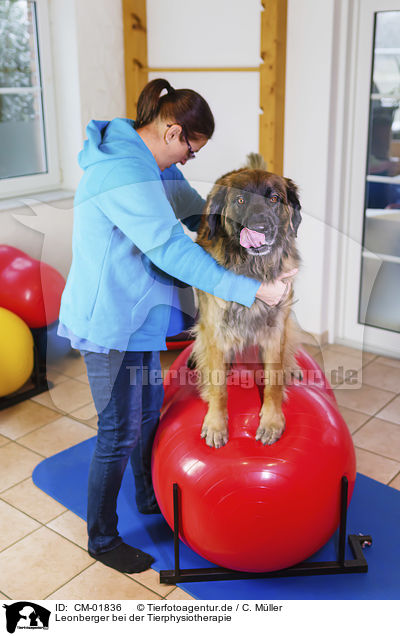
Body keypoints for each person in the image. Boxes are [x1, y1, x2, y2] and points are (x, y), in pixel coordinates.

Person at [58, 78, 295, 574]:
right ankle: (101, 540)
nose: (190, 159)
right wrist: (251, 289)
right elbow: (171, 248)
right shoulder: (122, 173)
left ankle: (149, 501)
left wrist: (252, 237)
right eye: (191, 147)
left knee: (147, 413)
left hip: (137, 316)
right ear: (171, 131)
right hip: (109, 322)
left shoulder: (154, 165)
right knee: (118, 430)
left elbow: (198, 212)